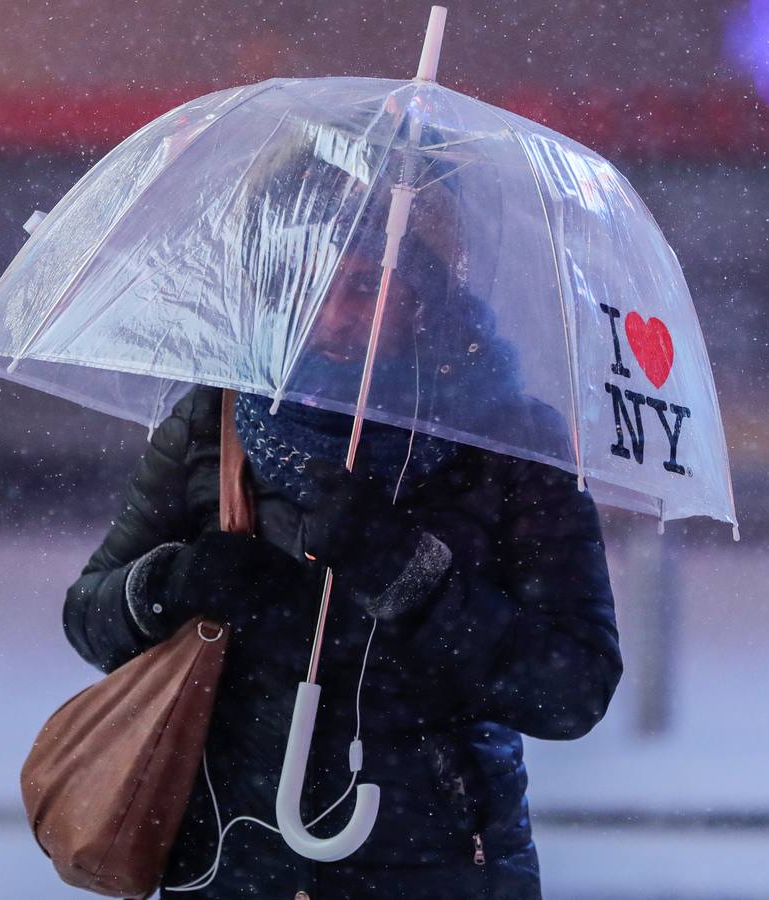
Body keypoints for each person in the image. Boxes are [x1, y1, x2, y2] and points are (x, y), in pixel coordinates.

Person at [62, 136, 622, 899]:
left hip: (439, 871)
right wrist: (178, 581)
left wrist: (410, 580)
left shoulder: (507, 442)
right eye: (301, 281)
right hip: (233, 867)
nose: (327, 314)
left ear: (426, 293)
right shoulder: (216, 422)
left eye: (362, 284)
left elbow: (572, 690)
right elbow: (88, 615)